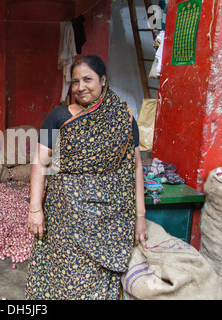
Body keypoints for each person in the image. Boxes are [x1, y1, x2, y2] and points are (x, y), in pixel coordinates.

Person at [25, 55, 147, 300]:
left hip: (110, 220)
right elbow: (40, 162)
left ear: (103, 80)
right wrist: (35, 209)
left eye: (87, 79)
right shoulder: (58, 117)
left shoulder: (123, 119)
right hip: (65, 216)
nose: (80, 87)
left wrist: (140, 217)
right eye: (75, 82)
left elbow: (135, 168)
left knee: (102, 282)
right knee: (66, 278)